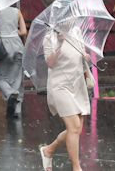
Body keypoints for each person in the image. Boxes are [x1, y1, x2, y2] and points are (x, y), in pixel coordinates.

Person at [39, 28, 91, 171]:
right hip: (60, 85)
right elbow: (50, 63)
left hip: (77, 83)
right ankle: (76, 167)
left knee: (76, 129)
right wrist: (60, 43)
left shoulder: (76, 31)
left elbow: (81, 53)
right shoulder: (50, 36)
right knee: (74, 127)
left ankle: (49, 150)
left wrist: (86, 57)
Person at [0, 6, 27, 118]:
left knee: (1, 78)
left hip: (3, 48)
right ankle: (17, 111)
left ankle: (10, 94)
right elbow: (23, 32)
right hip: (18, 46)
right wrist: (13, 32)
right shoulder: (17, 11)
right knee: (18, 78)